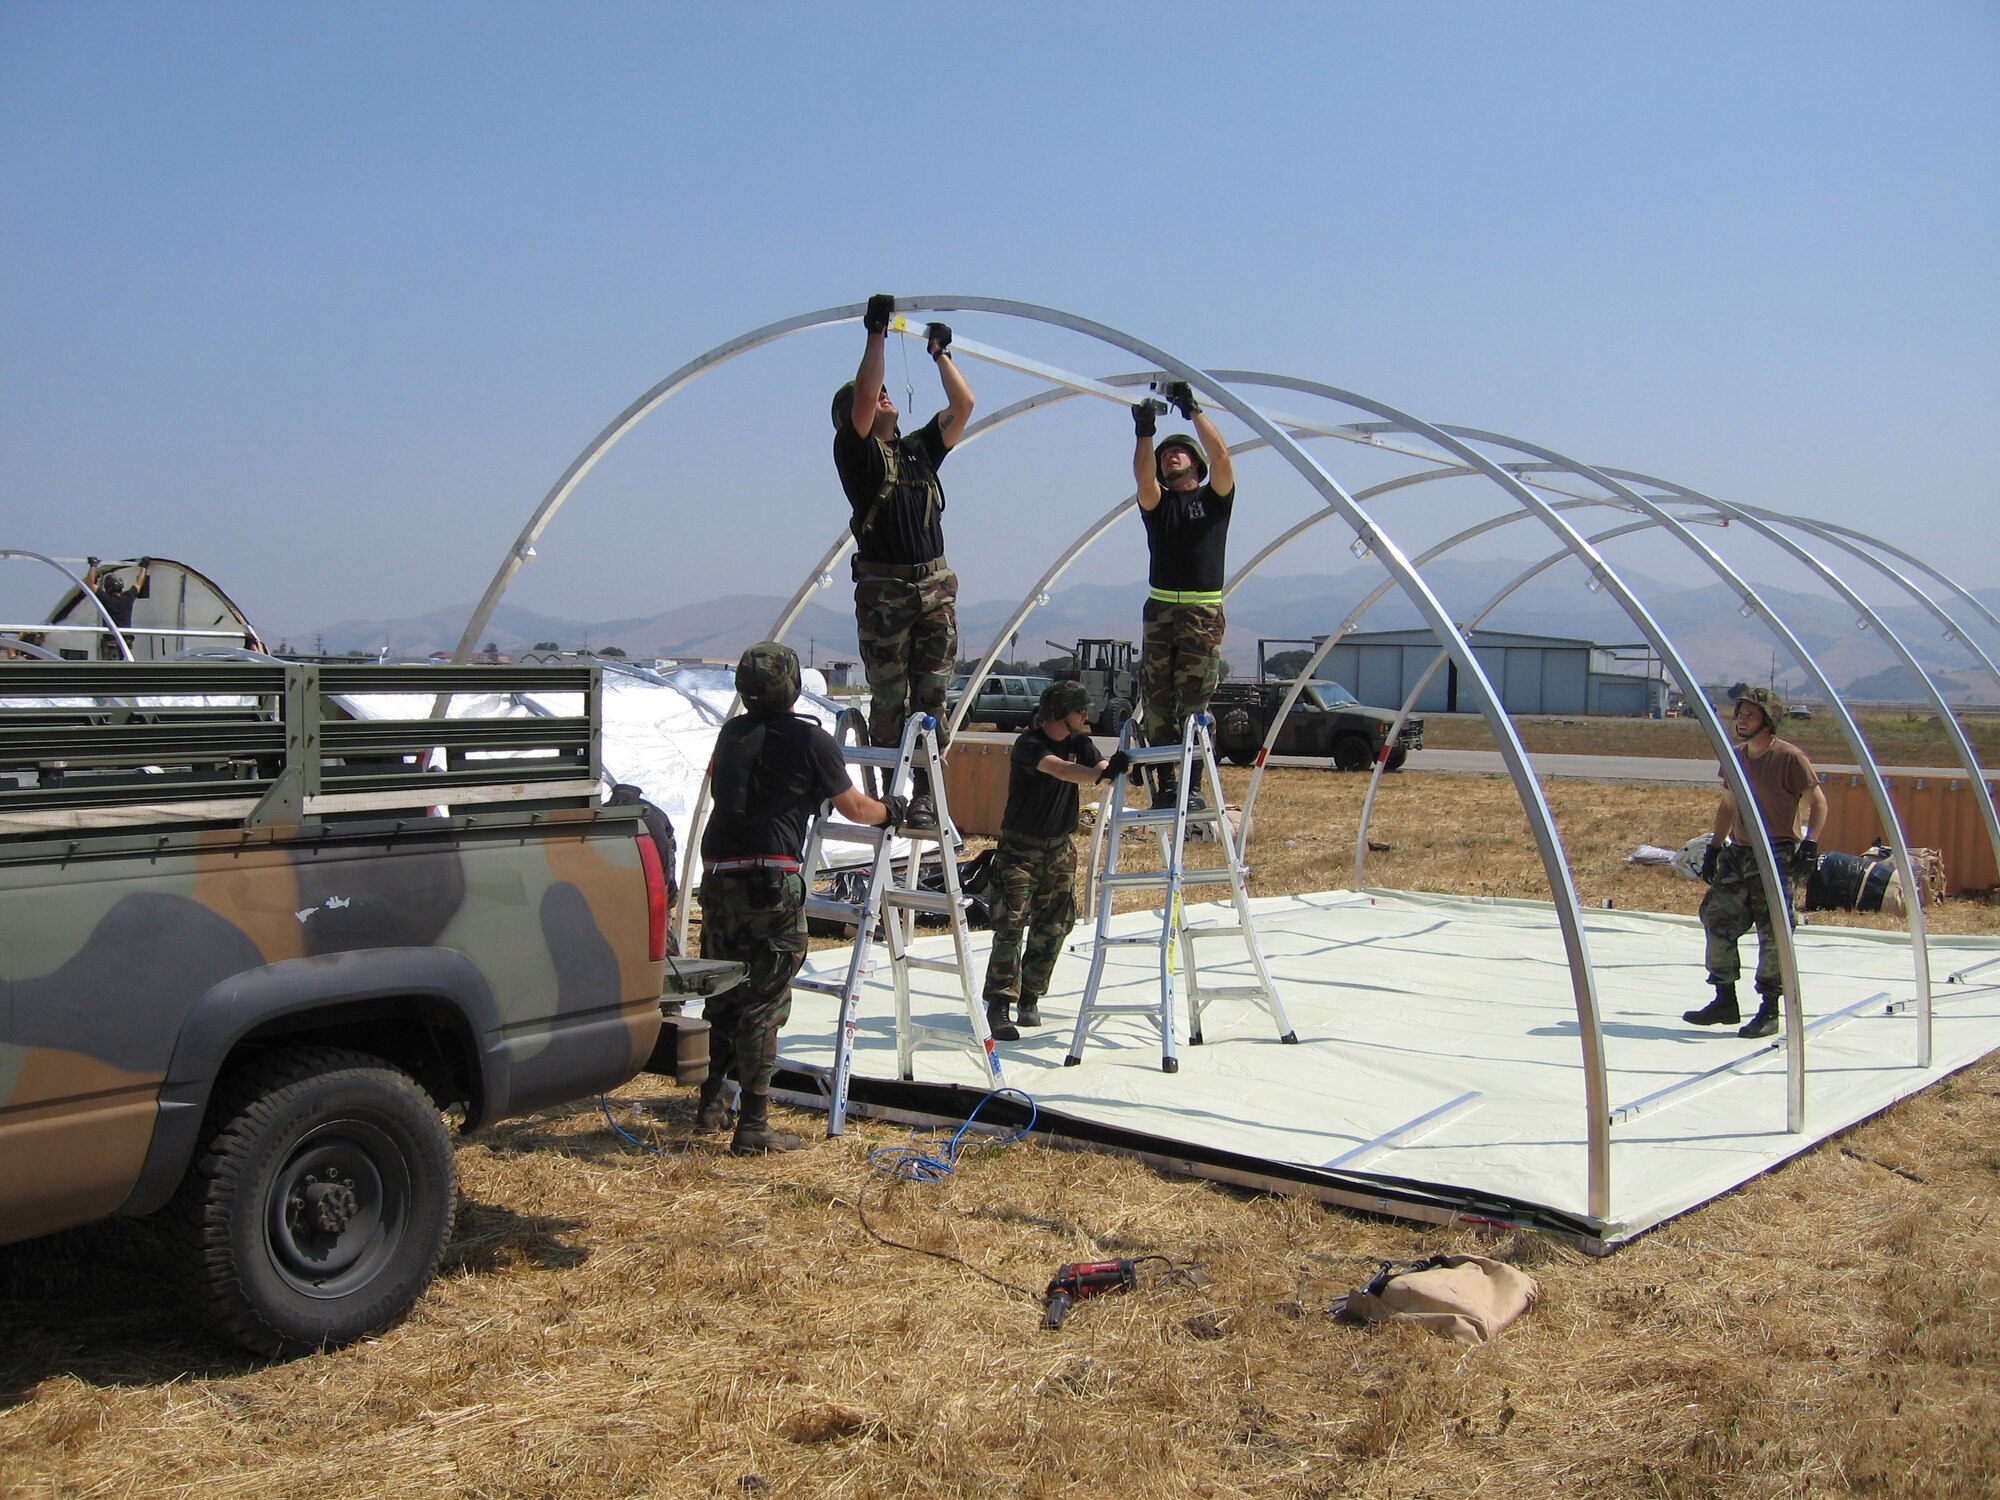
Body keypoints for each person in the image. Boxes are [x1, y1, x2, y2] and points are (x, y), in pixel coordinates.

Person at [698, 640, 907, 1153]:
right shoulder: (811, 742)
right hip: (770, 883)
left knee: (723, 993)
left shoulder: (730, 734)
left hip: (720, 880)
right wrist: (896, 810)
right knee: (764, 1003)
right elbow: (856, 809)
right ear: (792, 684)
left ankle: (709, 1106)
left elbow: (715, 782)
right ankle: (754, 1124)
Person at [832, 293, 975, 826]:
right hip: (886, 594)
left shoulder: (916, 450)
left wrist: (941, 355)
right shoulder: (857, 454)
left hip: (933, 587)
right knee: (891, 697)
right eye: (875, 398)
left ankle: (924, 793)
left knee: (932, 694)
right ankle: (894, 793)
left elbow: (964, 408)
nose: (885, 396)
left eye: (891, 393)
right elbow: (866, 394)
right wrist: (877, 334)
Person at [980, 680, 1130, 1040]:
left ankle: (1030, 997)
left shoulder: (1078, 741)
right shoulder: (1029, 744)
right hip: (1020, 850)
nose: (1085, 715)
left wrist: (1112, 765)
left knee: (1055, 925)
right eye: (1080, 710)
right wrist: (1101, 774)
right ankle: (999, 1003)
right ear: (1062, 712)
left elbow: (1099, 759)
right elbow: (1061, 770)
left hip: (1060, 850)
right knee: (1010, 925)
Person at [1683, 687, 1827, 1040]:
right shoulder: (1736, 758)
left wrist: (1810, 845)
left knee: (1773, 930)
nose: (1741, 719)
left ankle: (1769, 1009)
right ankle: (1724, 998)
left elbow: (1818, 803)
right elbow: (1728, 805)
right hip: (1740, 852)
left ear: (1768, 720)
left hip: (1776, 853)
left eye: (1750, 714)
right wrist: (1716, 847)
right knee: (1717, 917)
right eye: (1740, 713)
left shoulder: (1790, 759)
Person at [1132, 383, 1233, 810]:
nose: (1169, 456)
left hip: (1200, 610)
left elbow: (1224, 458)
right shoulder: (1158, 502)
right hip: (1161, 610)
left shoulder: (1213, 500)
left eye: (1179, 452)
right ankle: (1167, 782)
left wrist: (1191, 410)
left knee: (1193, 701)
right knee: (1156, 700)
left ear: (1195, 462)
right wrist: (1145, 431)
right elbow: (1141, 477)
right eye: (1164, 454)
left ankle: (1191, 785)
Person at [83, 556, 151, 660]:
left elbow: (90, 584)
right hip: (126, 641)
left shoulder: (107, 599)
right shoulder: (128, 597)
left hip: (111, 642)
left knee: (110, 671)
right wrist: (144, 567)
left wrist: (93, 566)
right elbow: (139, 583)